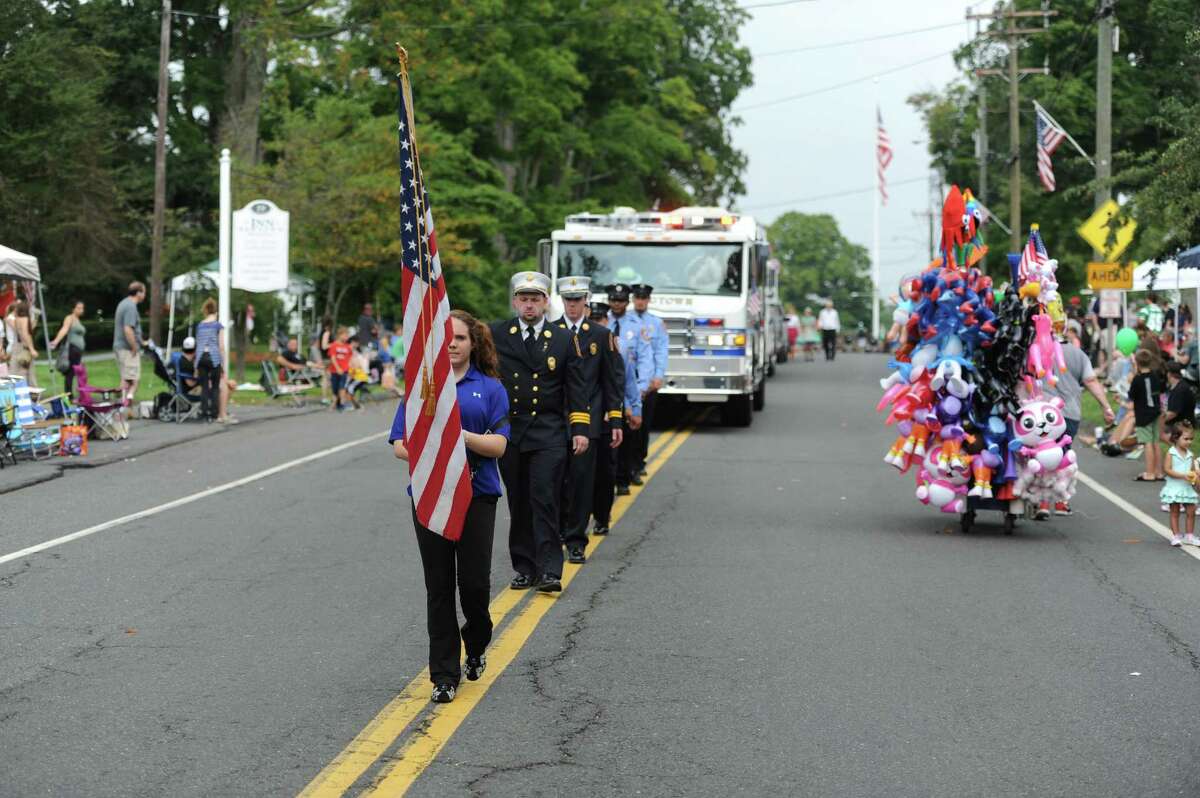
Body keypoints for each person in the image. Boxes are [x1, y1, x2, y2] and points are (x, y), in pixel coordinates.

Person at [390, 309, 509, 704]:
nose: (453, 345)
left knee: (474, 585)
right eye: (446, 339)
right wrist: (430, 454)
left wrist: (458, 437)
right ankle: (444, 674)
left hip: (477, 495)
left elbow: (499, 445)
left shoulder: (490, 388)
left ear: (473, 343)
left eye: (460, 338)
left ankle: (475, 643)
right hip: (431, 495)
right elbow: (399, 444)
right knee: (438, 588)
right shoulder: (421, 387)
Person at [490, 271, 589, 593]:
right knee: (518, 502)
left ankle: (549, 570)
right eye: (523, 299)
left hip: (548, 430)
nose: (529, 305)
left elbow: (576, 386)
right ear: (515, 301)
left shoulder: (562, 338)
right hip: (511, 430)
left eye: (535, 299)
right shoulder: (497, 334)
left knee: (544, 498)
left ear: (547, 302)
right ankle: (524, 567)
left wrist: (580, 428)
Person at [554, 277, 624, 565]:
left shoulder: (599, 334)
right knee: (556, 481)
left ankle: (575, 540)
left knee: (582, 482)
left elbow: (612, 379)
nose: (573, 304)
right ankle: (556, 530)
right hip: (556, 420)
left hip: (592, 420)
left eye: (578, 299)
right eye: (568, 299)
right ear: (561, 301)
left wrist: (616, 419)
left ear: (586, 300)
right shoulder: (551, 332)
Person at [1042, 330, 1115, 516]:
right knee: (1063, 456)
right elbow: (1090, 381)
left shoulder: (1038, 349)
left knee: (1041, 455)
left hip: (1042, 413)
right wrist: (1106, 407)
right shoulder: (1078, 354)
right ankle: (1061, 501)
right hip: (1069, 414)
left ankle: (1041, 502)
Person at [589, 301, 643, 534]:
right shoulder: (574, 346)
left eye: (601, 321)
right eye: (593, 321)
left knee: (605, 472)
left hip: (608, 419)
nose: (598, 325)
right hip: (580, 420)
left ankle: (601, 517)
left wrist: (634, 409)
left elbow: (627, 382)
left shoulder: (617, 350)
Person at [606, 283, 652, 494]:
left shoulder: (636, 326)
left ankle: (627, 474)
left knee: (629, 437)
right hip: (605, 388)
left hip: (629, 386)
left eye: (621, 300)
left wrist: (642, 387)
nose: (617, 304)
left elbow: (644, 359)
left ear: (627, 302)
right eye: (613, 300)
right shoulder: (600, 322)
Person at [630, 283, 667, 478]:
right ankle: (627, 464)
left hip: (649, 381)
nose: (640, 301)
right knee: (627, 424)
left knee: (643, 424)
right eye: (637, 297)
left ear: (648, 300)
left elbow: (661, 351)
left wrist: (658, 376)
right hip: (628, 380)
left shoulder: (657, 323)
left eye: (644, 298)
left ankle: (639, 461)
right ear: (633, 299)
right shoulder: (624, 320)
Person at [195, 298, 235, 423]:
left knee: (205, 387)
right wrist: (223, 363)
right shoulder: (218, 325)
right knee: (215, 387)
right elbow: (221, 346)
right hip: (213, 357)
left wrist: (196, 364)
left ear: (205, 311)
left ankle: (204, 413)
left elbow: (198, 344)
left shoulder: (200, 325)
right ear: (216, 311)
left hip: (201, 358)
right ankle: (214, 413)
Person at [1128, 349, 1165, 482]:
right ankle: (1159, 472)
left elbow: (1131, 396)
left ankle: (1149, 473)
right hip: (1156, 411)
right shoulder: (1154, 376)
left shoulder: (1137, 380)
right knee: (1156, 442)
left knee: (1147, 443)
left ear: (1137, 362)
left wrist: (1131, 377)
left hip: (1143, 414)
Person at [1161, 421, 1199, 547]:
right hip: (1175, 487)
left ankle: (1189, 535)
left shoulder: (1190, 455)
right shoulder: (1171, 453)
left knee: (1191, 511)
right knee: (1175, 512)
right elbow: (1167, 469)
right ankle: (1176, 535)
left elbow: (1193, 470)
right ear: (1176, 438)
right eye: (1186, 439)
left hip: (1187, 488)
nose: (1189, 442)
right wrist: (1183, 475)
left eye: (1191, 439)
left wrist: (1194, 477)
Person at [113, 281, 145, 405]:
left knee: (126, 378)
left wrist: (142, 341)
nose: (144, 295)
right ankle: (123, 404)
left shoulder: (123, 304)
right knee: (133, 380)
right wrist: (134, 346)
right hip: (127, 349)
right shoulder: (130, 306)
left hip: (120, 347)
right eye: (144, 292)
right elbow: (128, 328)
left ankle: (123, 402)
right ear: (138, 293)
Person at [49, 300, 86, 396]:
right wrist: (56, 341)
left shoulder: (78, 320)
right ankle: (69, 394)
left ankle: (78, 393)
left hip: (78, 350)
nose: (81, 310)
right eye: (78, 308)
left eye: (82, 308)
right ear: (73, 309)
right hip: (72, 349)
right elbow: (64, 330)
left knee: (77, 372)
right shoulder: (70, 318)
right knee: (70, 372)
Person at [327, 326, 358, 411]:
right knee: (334, 388)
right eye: (345, 335)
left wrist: (352, 368)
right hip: (334, 370)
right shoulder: (334, 345)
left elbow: (350, 359)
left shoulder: (347, 347)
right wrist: (337, 368)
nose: (347, 337)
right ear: (340, 335)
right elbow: (332, 358)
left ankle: (342, 403)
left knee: (342, 387)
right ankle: (335, 403)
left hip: (344, 370)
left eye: (347, 336)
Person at [7, 300, 38, 384]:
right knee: (28, 372)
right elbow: (25, 333)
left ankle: (17, 391)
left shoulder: (17, 319)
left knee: (16, 371)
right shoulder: (24, 318)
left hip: (17, 345)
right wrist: (31, 349)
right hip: (24, 347)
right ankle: (32, 393)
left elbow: (20, 332)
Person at [1164, 361, 1196, 431]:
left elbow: (1172, 414)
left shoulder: (1180, 390)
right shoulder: (1178, 385)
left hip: (1181, 425)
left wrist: (1158, 422)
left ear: (1169, 374)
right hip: (1178, 423)